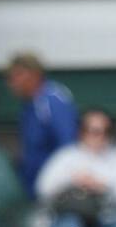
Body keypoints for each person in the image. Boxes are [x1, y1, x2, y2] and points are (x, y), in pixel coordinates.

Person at [6, 52, 79, 198]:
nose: (12, 83)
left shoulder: (52, 101)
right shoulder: (29, 104)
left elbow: (68, 146)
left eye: (16, 76)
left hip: (53, 188)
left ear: (34, 74)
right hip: (33, 183)